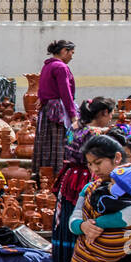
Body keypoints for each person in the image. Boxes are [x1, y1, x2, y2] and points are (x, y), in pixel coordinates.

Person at [51, 98, 119, 262]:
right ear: (104, 112)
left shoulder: (75, 126)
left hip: (69, 176)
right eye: (111, 114)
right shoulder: (96, 134)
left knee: (67, 215)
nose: (111, 118)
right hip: (85, 178)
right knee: (86, 215)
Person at [34, 39, 77, 180]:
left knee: (47, 141)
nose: (72, 56)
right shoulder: (61, 67)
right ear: (64, 51)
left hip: (47, 110)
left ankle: (43, 174)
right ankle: (57, 175)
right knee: (60, 142)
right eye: (71, 52)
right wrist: (73, 115)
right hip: (58, 111)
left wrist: (42, 98)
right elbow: (66, 92)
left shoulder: (47, 66)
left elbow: (42, 88)